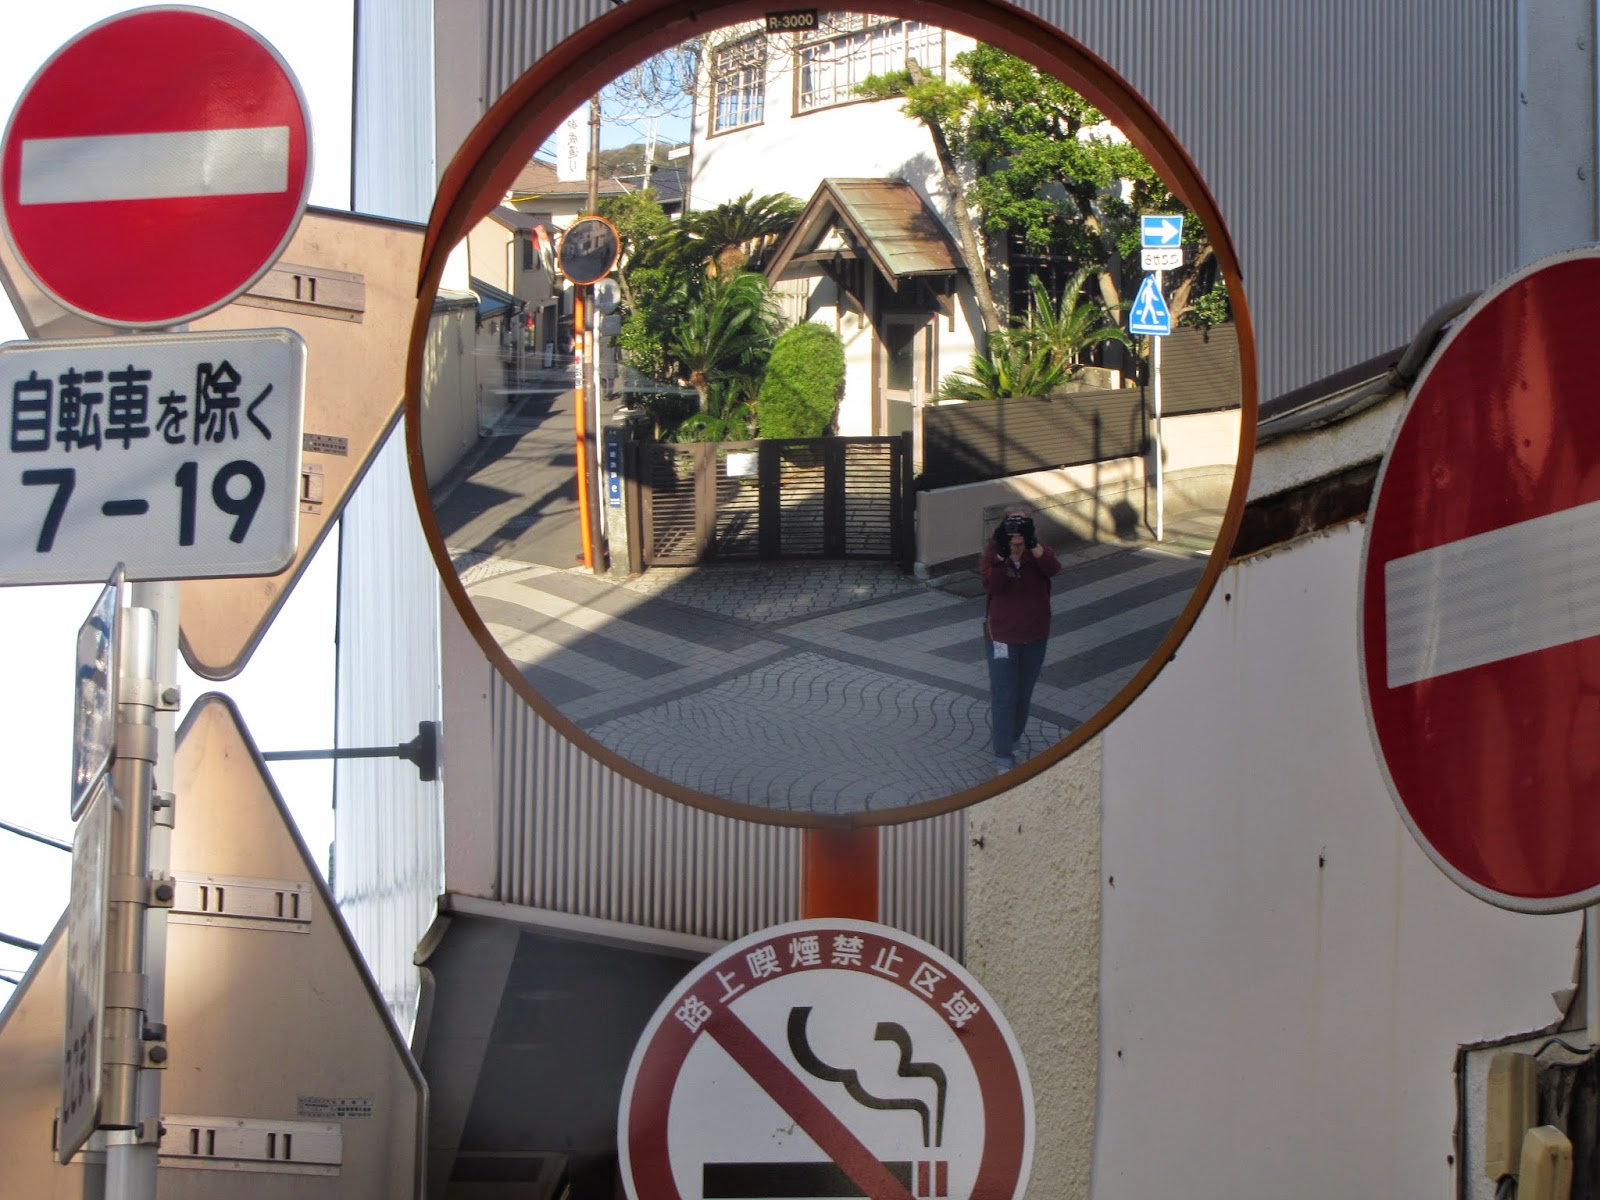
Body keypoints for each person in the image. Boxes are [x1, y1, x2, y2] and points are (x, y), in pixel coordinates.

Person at [981, 508, 1061, 775]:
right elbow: (992, 586)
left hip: (1035, 636)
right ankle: (1003, 755)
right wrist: (1005, 555)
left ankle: (1013, 737)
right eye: (1012, 524)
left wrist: (1033, 544)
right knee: (1004, 695)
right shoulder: (993, 555)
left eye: (1023, 525)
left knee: (1023, 695)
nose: (1017, 531)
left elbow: (1053, 568)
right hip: (1002, 637)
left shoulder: (1038, 554)